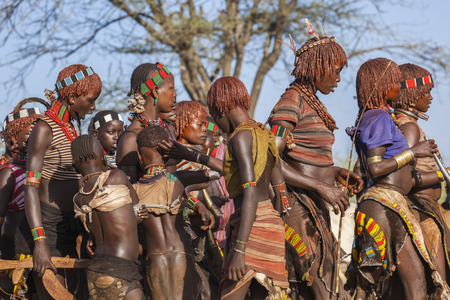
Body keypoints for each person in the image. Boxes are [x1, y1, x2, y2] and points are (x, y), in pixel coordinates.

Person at [267, 19, 362, 299]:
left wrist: (333, 173)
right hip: (297, 208)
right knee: (324, 290)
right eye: (335, 71)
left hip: (314, 207)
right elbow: (269, 159)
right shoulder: (291, 101)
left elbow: (302, 158)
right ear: (319, 67)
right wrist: (321, 187)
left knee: (329, 288)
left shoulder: (309, 102)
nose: (338, 78)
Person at [345, 58, 448, 299]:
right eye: (394, 82)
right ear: (382, 87)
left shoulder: (378, 117)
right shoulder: (381, 119)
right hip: (387, 203)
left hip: (389, 202)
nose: (398, 87)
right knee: (418, 286)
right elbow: (377, 169)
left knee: (383, 288)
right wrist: (415, 152)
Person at [19, 64, 101, 299]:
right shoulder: (44, 128)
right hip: (49, 228)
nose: (94, 107)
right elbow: (30, 188)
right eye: (91, 100)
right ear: (73, 96)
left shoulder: (71, 127)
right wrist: (40, 242)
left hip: (73, 227)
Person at [208, 76, 289, 299]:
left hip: (250, 228)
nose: (217, 123)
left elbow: (250, 190)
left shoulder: (239, 137)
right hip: (271, 226)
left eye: (215, 116)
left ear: (220, 109)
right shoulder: (264, 133)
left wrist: (239, 249)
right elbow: (281, 189)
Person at [133, 125, 216, 300]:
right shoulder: (177, 179)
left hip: (154, 261)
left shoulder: (133, 190)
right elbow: (224, 170)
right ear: (167, 155)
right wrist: (190, 155)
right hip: (182, 257)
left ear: (140, 156)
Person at [392, 63, 450, 281]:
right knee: (439, 281)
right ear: (412, 94)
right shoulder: (409, 127)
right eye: (426, 92)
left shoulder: (403, 123)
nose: (430, 98)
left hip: (427, 207)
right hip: (422, 210)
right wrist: (442, 174)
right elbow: (402, 178)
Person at [71, 134, 146, 300]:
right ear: (103, 157)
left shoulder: (79, 198)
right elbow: (136, 211)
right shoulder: (116, 177)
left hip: (96, 270)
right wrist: (140, 215)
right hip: (122, 269)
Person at [116, 62, 176, 183]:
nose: (175, 94)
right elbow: (127, 192)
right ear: (155, 91)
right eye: (171, 88)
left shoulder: (169, 129)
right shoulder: (131, 139)